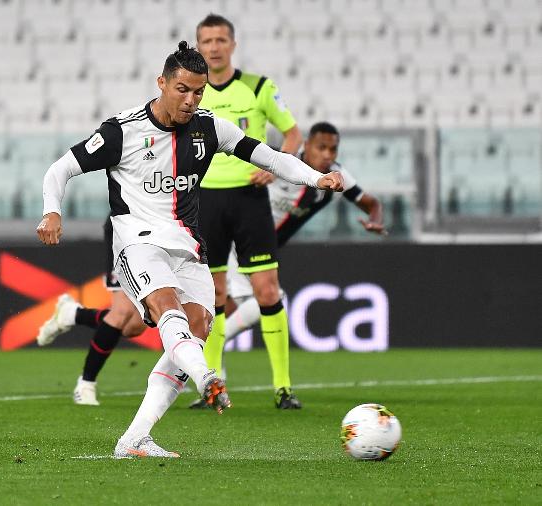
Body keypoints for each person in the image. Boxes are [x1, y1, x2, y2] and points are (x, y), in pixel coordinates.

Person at [36, 42, 343, 458]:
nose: (190, 100)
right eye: (182, 89)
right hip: (138, 241)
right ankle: (207, 379)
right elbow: (62, 168)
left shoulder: (208, 128)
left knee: (197, 328)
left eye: (198, 92)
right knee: (168, 312)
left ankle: (135, 438)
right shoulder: (121, 132)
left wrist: (314, 177)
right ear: (162, 83)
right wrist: (52, 212)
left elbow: (267, 157)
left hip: (188, 247)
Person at [195, 14, 304, 409]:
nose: (214, 47)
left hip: (249, 200)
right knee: (213, 295)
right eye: (206, 41)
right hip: (204, 200)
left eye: (221, 39)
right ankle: (213, 385)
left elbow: (293, 134)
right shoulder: (191, 91)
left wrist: (273, 164)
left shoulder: (258, 87)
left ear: (233, 45)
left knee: (267, 290)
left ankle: (283, 387)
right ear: (198, 46)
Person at [222, 122, 386, 344]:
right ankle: (209, 350)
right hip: (236, 239)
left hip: (260, 250)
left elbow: (372, 204)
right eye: (321, 147)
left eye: (332, 149)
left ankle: (207, 361)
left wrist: (374, 221)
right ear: (306, 145)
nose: (327, 155)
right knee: (268, 300)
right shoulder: (277, 159)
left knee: (229, 310)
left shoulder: (336, 176)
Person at [35, 218, 147, 406]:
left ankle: (72, 314)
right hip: (126, 228)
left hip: (162, 232)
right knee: (122, 313)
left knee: (133, 326)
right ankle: (86, 384)